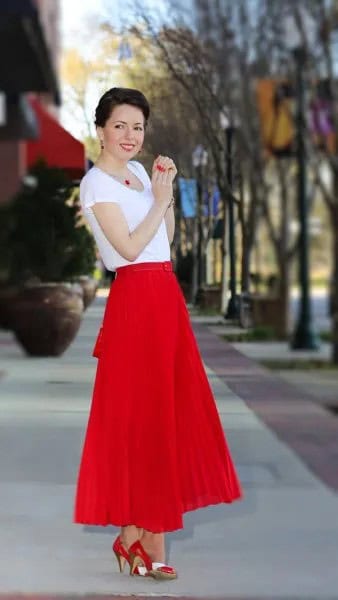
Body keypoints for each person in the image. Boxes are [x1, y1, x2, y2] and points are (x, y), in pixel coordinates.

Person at [74, 87, 243, 581]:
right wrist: (161, 201)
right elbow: (125, 250)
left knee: (166, 414)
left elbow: (163, 240)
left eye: (138, 127)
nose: (130, 136)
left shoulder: (142, 173)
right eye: (120, 126)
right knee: (140, 418)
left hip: (165, 299)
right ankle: (140, 538)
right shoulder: (95, 186)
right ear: (101, 128)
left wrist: (163, 191)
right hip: (133, 304)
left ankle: (142, 538)